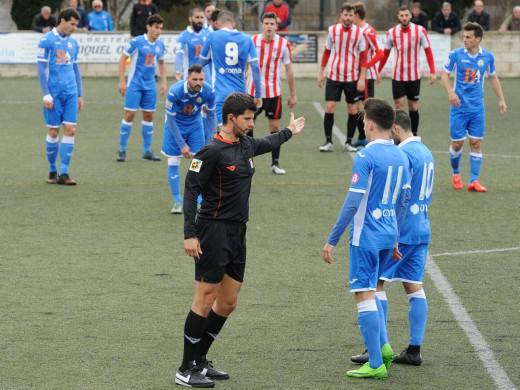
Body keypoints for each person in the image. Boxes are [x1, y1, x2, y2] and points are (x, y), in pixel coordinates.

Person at [176, 93, 305, 388]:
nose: (251, 124)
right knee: (205, 300)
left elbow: (268, 143)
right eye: (247, 118)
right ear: (231, 118)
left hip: (237, 233)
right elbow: (190, 190)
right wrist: (189, 234)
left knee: (228, 302)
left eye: (253, 118)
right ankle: (185, 368)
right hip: (212, 231)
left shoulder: (246, 144)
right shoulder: (210, 151)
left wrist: (289, 132)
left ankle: (201, 361)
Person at [322, 97, 410, 380]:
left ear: (370, 124)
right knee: (375, 289)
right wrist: (396, 235)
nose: (363, 125)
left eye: (363, 122)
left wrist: (332, 239)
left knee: (363, 294)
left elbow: (352, 202)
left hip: (366, 236)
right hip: (388, 235)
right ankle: (383, 348)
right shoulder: (401, 154)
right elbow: (404, 200)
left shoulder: (366, 156)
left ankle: (375, 363)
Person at [350, 110, 434, 367]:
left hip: (400, 231)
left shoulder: (403, 155)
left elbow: (400, 195)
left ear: (395, 128)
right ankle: (414, 349)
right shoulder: (427, 152)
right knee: (413, 285)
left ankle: (379, 347)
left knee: (375, 285)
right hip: (422, 227)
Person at [441, 22, 506, 192]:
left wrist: (501, 99)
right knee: (457, 144)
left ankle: (473, 181)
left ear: (478, 39)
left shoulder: (487, 57)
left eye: (468, 37)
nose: (464, 40)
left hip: (477, 108)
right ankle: (456, 173)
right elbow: (445, 76)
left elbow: (493, 78)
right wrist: (450, 92)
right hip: (459, 107)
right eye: (463, 36)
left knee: (476, 143)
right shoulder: (455, 55)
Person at [246, 12, 297, 175]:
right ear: (262, 25)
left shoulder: (283, 44)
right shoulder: (252, 41)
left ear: (276, 26)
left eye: (272, 24)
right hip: (253, 92)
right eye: (266, 23)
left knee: (275, 126)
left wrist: (293, 94)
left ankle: (275, 163)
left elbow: (289, 70)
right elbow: (245, 66)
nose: (269, 26)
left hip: (274, 92)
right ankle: (248, 160)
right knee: (248, 125)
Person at [37, 7, 83, 185]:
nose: (74, 28)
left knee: (70, 130)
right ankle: (52, 170)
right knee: (54, 131)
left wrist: (80, 94)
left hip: (71, 93)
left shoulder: (74, 43)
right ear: (62, 21)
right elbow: (41, 70)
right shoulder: (46, 40)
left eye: (76, 25)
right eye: (72, 24)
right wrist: (46, 94)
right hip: (54, 94)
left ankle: (64, 173)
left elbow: (76, 69)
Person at [162, 64, 215, 214]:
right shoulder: (175, 92)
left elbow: (210, 116)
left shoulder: (209, 91)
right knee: (173, 161)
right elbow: (171, 120)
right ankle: (178, 201)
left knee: (197, 161)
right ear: (187, 79)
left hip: (195, 126)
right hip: (175, 127)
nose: (199, 82)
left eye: (201, 79)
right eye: (195, 79)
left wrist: (209, 140)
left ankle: (197, 200)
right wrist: (182, 144)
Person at [377, 5, 436, 136]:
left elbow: (428, 51)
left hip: (414, 75)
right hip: (398, 76)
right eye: (401, 16)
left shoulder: (420, 31)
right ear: (398, 17)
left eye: (406, 15)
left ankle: (413, 134)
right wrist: (378, 70)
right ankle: (400, 135)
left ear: (410, 16)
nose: (404, 18)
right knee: (399, 107)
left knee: (413, 107)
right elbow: (385, 53)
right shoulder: (392, 32)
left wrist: (432, 71)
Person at [317, 2, 367, 153]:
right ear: (341, 15)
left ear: (354, 16)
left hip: (352, 77)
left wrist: (362, 78)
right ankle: (328, 141)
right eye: (346, 15)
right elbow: (326, 52)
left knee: (352, 109)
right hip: (334, 76)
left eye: (351, 15)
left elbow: (364, 57)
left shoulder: (360, 33)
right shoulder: (332, 30)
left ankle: (349, 142)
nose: (348, 18)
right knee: (329, 106)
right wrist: (321, 73)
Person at [116, 14, 166, 162]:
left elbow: (162, 63)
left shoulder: (160, 45)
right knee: (129, 115)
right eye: (156, 28)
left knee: (149, 116)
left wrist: (163, 82)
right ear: (148, 27)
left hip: (150, 86)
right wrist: (122, 81)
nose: (159, 31)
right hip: (135, 85)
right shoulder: (137, 42)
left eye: (161, 28)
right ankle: (122, 150)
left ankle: (146, 152)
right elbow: (122, 59)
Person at [199, 10, 263, 126]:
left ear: (218, 23)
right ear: (234, 23)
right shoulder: (247, 39)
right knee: (238, 130)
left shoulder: (212, 36)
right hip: (240, 94)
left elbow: (202, 62)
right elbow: (255, 68)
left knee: (223, 131)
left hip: (221, 93)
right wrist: (258, 94)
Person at [352, 2, 382, 150]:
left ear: (357, 16)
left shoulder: (368, 31)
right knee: (357, 107)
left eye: (352, 16)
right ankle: (362, 137)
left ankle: (370, 140)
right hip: (357, 76)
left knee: (366, 108)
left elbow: (380, 53)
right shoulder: (356, 30)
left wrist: (366, 67)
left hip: (366, 76)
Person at [175, 8, 209, 81]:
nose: (200, 20)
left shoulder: (207, 34)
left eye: (201, 17)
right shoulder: (183, 36)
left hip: (206, 77)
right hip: (191, 77)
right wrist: (177, 70)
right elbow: (179, 55)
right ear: (190, 19)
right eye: (197, 17)